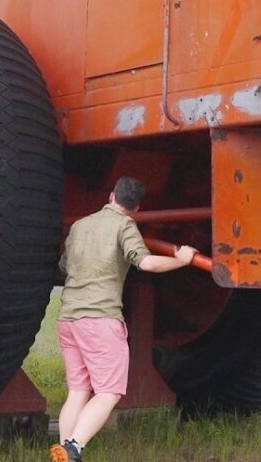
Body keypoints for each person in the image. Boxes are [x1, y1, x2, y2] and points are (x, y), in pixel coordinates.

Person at [49, 177, 198, 462]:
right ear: (137, 208)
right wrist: (183, 259)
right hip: (101, 320)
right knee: (108, 392)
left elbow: (64, 266)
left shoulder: (80, 225)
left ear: (111, 195)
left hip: (69, 318)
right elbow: (147, 263)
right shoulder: (124, 225)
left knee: (78, 390)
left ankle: (63, 456)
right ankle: (73, 448)